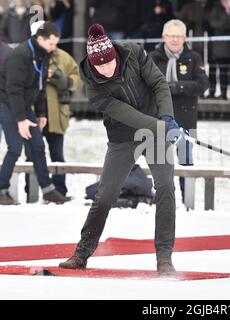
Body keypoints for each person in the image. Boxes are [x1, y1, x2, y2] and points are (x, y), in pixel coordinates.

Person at [58, 23, 186, 275]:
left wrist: (168, 118)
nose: (106, 69)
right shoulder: (93, 87)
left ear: (115, 55)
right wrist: (160, 126)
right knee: (105, 195)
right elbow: (125, 114)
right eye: (100, 66)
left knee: (165, 188)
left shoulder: (134, 53)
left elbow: (159, 84)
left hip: (157, 126)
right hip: (123, 135)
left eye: (109, 63)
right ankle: (82, 253)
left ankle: (164, 258)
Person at [0, 21, 71, 205]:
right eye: (51, 43)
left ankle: (48, 190)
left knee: (38, 147)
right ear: (40, 39)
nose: (54, 47)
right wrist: (21, 120)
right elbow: (13, 89)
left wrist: (40, 113)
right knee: (15, 147)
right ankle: (1, 190)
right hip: (7, 103)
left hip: (24, 104)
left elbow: (40, 86)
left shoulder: (43, 54)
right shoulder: (20, 55)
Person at [150, 19, 209, 203]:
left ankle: (187, 201)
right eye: (171, 36)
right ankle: (162, 200)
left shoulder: (194, 57)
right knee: (160, 163)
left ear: (184, 38)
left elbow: (203, 84)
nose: (175, 40)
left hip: (186, 119)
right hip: (159, 119)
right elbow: (144, 84)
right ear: (164, 37)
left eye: (178, 36)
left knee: (185, 162)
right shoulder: (153, 57)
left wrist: (177, 87)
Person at [25, 20, 82, 198]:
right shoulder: (29, 56)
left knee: (57, 154)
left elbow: (77, 78)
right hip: (34, 114)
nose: (53, 46)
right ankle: (31, 191)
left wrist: (61, 79)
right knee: (32, 154)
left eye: (56, 42)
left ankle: (60, 191)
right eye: (51, 42)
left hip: (57, 114)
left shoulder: (63, 57)